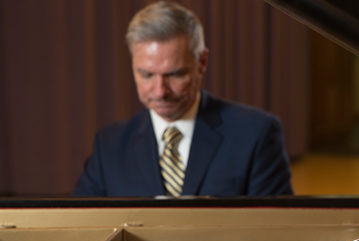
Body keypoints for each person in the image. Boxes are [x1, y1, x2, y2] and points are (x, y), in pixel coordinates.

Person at [72, 1, 293, 197]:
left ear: (202, 62)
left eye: (175, 74)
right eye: (147, 74)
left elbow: (277, 233)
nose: (160, 91)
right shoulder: (109, 146)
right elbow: (79, 229)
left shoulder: (256, 134)